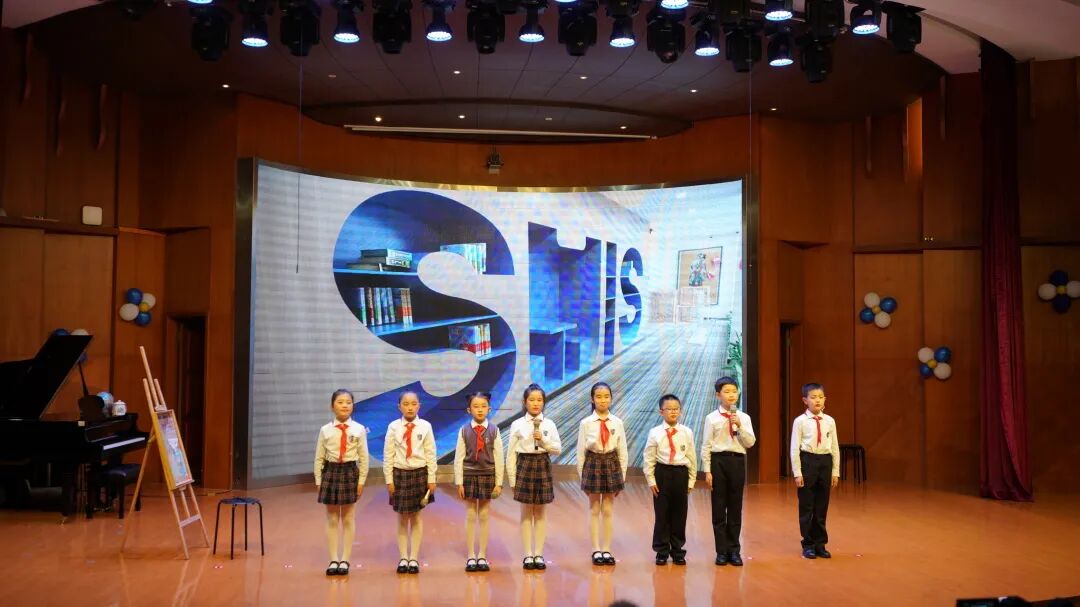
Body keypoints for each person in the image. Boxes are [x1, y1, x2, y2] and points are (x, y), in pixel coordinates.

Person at [702, 376, 756, 566]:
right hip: (718, 461)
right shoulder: (711, 418)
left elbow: (750, 442)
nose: (731, 395)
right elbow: (706, 445)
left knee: (735, 507)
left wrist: (739, 425)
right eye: (726, 391)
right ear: (718, 395)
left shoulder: (744, 417)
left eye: (734, 391)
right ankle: (721, 551)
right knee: (719, 508)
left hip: (737, 461)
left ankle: (734, 550)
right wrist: (707, 470)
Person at [314, 389, 369, 576]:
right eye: (340, 402)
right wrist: (318, 480)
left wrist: (361, 481)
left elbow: (364, 458)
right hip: (330, 472)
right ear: (332, 406)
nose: (345, 405)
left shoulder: (359, 429)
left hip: (349, 472)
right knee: (331, 518)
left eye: (348, 402)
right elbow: (319, 458)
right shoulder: (325, 430)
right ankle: (333, 560)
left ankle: (345, 559)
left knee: (347, 518)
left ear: (353, 406)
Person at [507, 383, 562, 570]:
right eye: (532, 400)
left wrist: (543, 440)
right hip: (524, 466)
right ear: (525, 402)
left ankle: (538, 554)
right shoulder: (517, 424)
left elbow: (557, 449)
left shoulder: (549, 424)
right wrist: (512, 479)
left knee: (540, 513)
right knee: (525, 512)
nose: (536, 403)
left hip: (542, 465)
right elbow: (511, 455)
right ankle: (527, 555)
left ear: (544, 402)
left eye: (539, 400)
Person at [575, 382, 628, 566]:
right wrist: (582, 478)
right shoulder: (586, 423)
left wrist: (622, 477)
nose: (603, 400)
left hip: (611, 464)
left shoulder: (617, 422)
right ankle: (596, 550)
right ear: (592, 399)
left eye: (606, 396)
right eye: (598, 397)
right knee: (594, 509)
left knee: (608, 510)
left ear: (611, 398)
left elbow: (622, 451)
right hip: (593, 463)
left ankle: (606, 549)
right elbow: (580, 452)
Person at [384, 391, 437, 574]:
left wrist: (431, 478)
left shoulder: (425, 426)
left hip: (419, 474)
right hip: (400, 475)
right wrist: (389, 480)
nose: (410, 407)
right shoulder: (393, 427)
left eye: (414, 404)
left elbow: (431, 453)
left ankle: (413, 558)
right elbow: (388, 455)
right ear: (399, 406)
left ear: (419, 406)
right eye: (406, 404)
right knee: (401, 517)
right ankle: (403, 557)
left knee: (416, 516)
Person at [643, 394, 697, 566]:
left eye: (676, 409)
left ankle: (678, 551)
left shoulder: (686, 432)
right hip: (662, 473)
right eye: (669, 409)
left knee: (680, 514)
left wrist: (691, 480)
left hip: (681, 473)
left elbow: (692, 457)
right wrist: (651, 480)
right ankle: (661, 551)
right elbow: (649, 458)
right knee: (662, 514)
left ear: (680, 411)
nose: (673, 412)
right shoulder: (655, 432)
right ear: (661, 412)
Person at [453, 391, 504, 572]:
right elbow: (459, 458)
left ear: (489, 409)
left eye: (483, 406)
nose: (480, 410)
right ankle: (470, 555)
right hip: (469, 475)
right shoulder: (464, 430)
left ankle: (482, 555)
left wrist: (499, 482)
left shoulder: (494, 430)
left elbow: (499, 457)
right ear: (469, 410)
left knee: (483, 515)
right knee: (470, 515)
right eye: (476, 406)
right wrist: (459, 482)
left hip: (487, 475)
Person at [790, 382, 840, 559]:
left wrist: (835, 471)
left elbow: (834, 447)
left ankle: (820, 543)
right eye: (813, 397)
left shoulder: (830, 421)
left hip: (825, 461)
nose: (817, 400)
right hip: (808, 461)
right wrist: (797, 472)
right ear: (805, 400)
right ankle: (808, 544)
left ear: (825, 399)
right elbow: (794, 448)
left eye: (820, 397)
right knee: (807, 505)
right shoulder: (800, 421)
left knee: (821, 505)